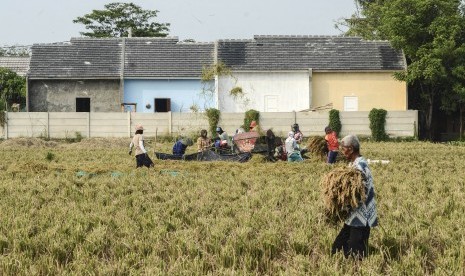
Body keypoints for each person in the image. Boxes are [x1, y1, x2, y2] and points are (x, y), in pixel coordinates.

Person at [331, 134, 378, 259]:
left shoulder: (359, 167)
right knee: (338, 248)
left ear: (351, 149)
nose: (342, 151)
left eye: (343, 148)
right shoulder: (355, 164)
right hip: (354, 216)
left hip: (362, 216)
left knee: (355, 252)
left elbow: (356, 192)